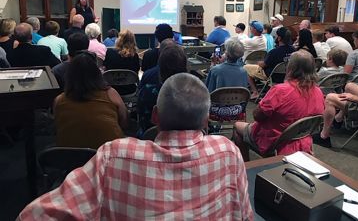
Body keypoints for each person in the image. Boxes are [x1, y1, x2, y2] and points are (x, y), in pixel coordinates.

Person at [19, 73, 253, 220]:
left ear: (155, 116)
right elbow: (244, 214)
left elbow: (34, 215)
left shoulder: (114, 156)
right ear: (205, 120)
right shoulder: (228, 151)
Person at [234, 50, 324, 161]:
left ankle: (246, 166)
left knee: (237, 126)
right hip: (302, 137)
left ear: (290, 67)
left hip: (274, 139)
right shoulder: (318, 92)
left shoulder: (280, 90)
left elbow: (257, 116)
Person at [53, 52, 127, 149]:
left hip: (70, 158)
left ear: (69, 76)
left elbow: (58, 126)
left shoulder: (59, 100)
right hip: (108, 154)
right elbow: (124, 122)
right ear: (97, 73)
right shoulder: (111, 94)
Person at [137, 40, 187, 136]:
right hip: (187, 142)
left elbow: (141, 117)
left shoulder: (147, 92)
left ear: (160, 68)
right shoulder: (194, 92)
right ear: (184, 66)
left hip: (150, 139)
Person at [244, 27, 295, 99]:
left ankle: (255, 92)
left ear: (279, 38)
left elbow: (263, 66)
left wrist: (259, 63)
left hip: (272, 76)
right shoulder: (293, 50)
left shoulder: (274, 52)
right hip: (288, 75)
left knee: (245, 68)